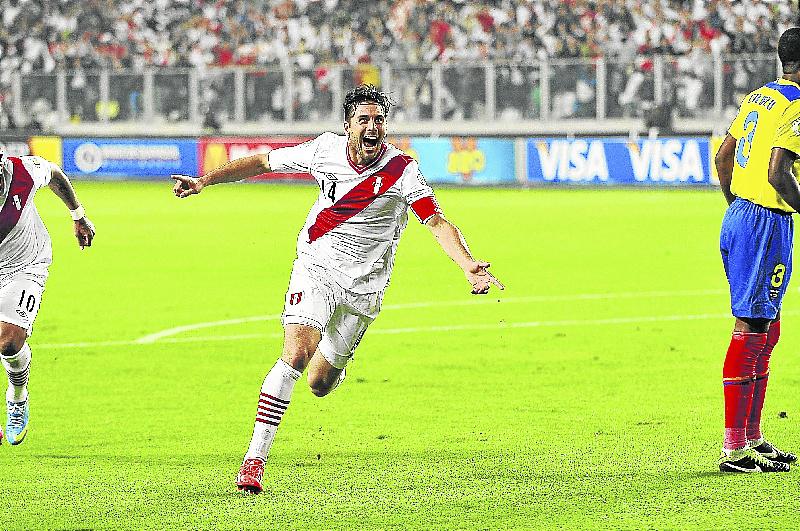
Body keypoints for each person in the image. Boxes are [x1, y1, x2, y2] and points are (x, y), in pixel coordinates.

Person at [171, 84, 504, 494]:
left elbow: (435, 222)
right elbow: (261, 161)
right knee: (294, 353)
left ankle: (333, 365)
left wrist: (467, 263)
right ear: (348, 125)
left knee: (319, 384)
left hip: (363, 290)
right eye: (364, 119)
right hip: (317, 267)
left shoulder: (403, 171)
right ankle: (253, 461)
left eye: (379, 120)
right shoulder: (323, 151)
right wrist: (205, 181)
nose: (372, 126)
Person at [714, 27, 800, 473]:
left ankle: (752, 437)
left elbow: (722, 158)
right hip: (766, 220)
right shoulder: (797, 106)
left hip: (744, 216)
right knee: (752, 327)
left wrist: (738, 208)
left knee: (768, 327)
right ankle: (733, 448)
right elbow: (778, 172)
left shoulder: (759, 96)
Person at [0, 154, 95, 445]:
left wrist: (77, 214)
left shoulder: (21, 171)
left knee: (9, 342)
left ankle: (18, 396)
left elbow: (54, 174)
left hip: (25, 265)